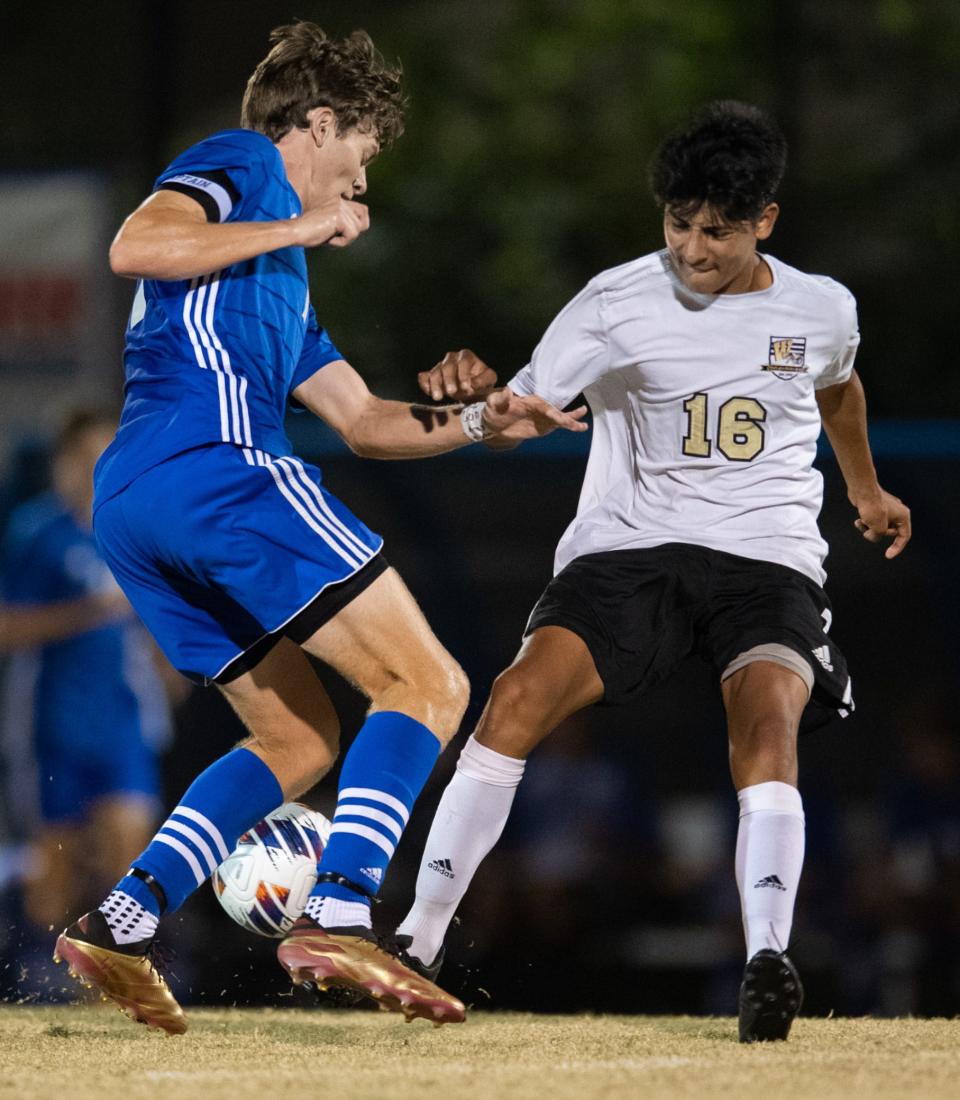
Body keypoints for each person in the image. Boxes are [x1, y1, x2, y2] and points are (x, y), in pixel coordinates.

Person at [53, 21, 584, 1035]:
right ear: (321, 124)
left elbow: (366, 422)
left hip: (145, 502)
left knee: (297, 733)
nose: (360, 183)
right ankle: (339, 910)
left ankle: (122, 918)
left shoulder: (274, 282)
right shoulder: (247, 161)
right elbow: (135, 244)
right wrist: (301, 224)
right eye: (361, 156)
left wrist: (482, 420)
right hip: (216, 470)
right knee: (431, 683)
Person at [396, 100, 911, 1042]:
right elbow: (521, 415)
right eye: (679, 224)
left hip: (767, 556)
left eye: (717, 229)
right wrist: (479, 403)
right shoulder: (614, 301)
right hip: (629, 548)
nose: (693, 248)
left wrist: (866, 492)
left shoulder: (820, 307)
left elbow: (839, 385)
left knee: (765, 720)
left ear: (766, 220)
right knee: (513, 701)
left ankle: (766, 959)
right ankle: (417, 944)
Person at [1, 410, 172, 936]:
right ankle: (39, 992)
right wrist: (93, 609)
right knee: (55, 876)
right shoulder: (37, 533)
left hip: (123, 725)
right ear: (63, 463)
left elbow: (160, 616)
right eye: (86, 458)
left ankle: (120, 997)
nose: (97, 470)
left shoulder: (135, 532)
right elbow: (8, 628)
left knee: (132, 863)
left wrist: (170, 668)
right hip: (50, 728)